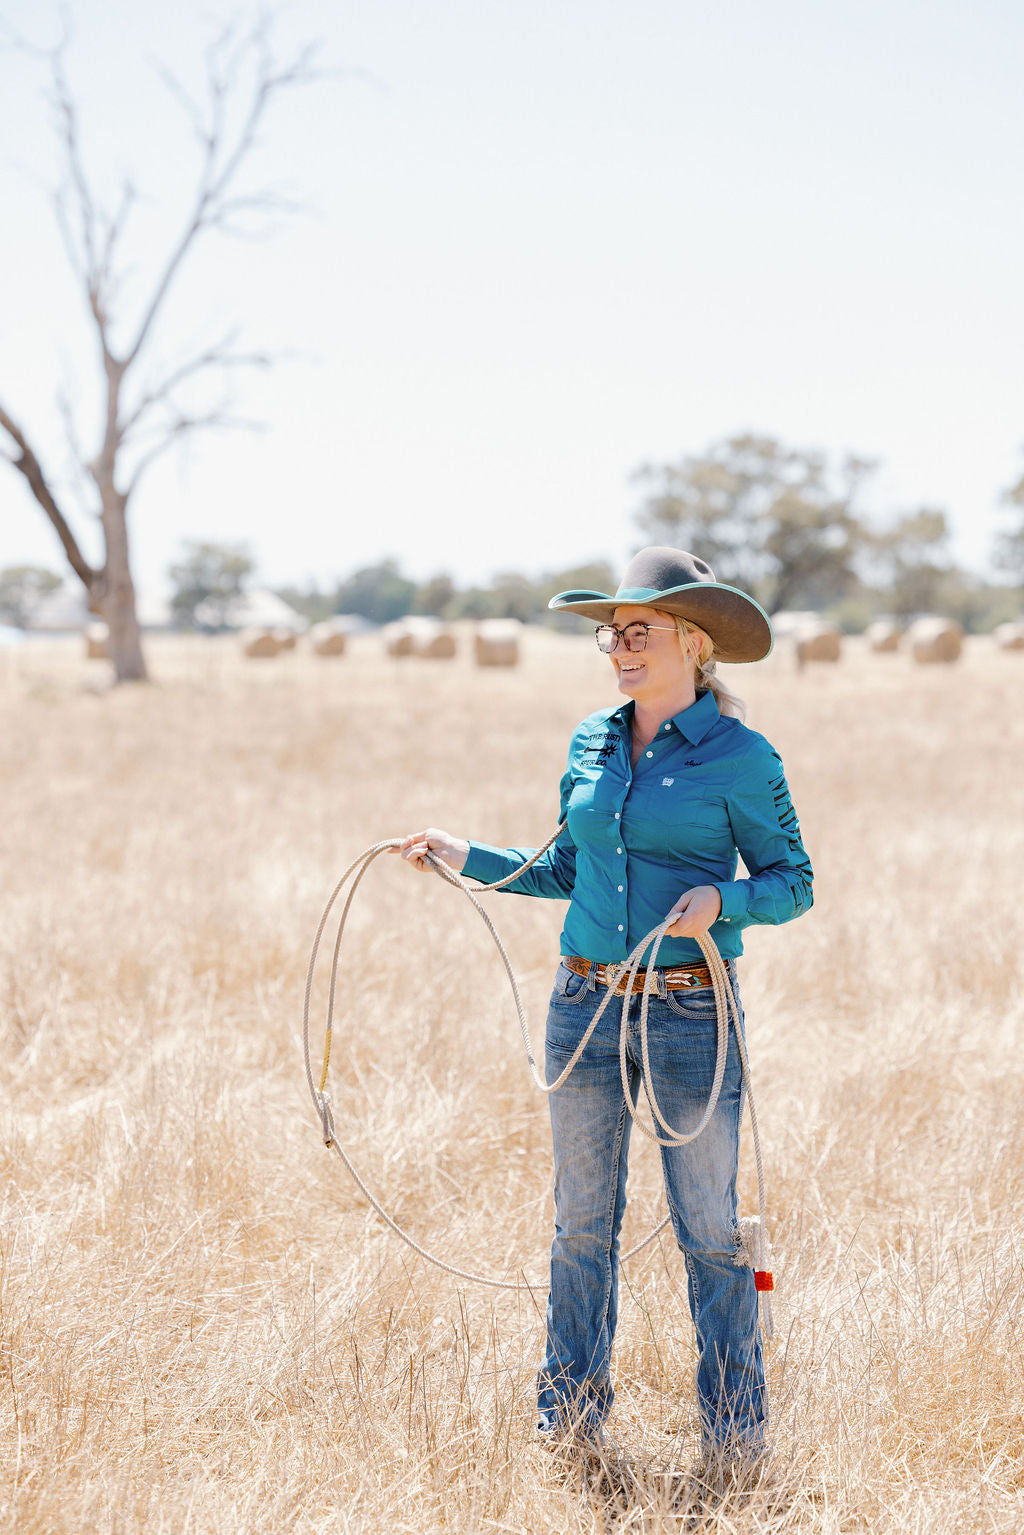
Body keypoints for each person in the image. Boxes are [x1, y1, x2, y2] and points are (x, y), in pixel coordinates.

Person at [394, 547, 813, 1471]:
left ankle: (737, 1428)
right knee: (581, 1222)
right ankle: (570, 1416)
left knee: (708, 1226)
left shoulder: (743, 758)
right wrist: (463, 852)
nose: (618, 648)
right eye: (609, 633)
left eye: (638, 631)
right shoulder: (591, 739)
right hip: (582, 1000)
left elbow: (794, 881)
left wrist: (726, 903)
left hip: (689, 1007)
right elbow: (564, 870)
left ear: (693, 644)